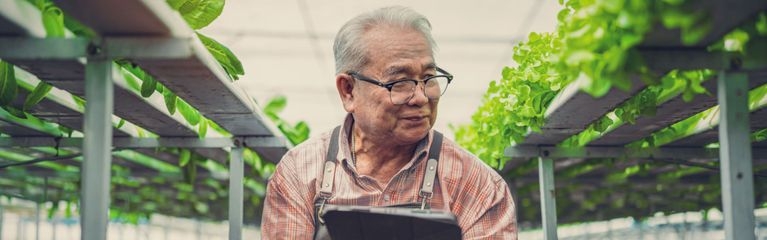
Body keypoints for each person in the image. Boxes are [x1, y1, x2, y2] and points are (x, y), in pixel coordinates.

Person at [261, 6, 517, 239]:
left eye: (429, 77)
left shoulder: (477, 185)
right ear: (348, 90)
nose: (420, 97)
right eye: (399, 82)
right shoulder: (300, 173)